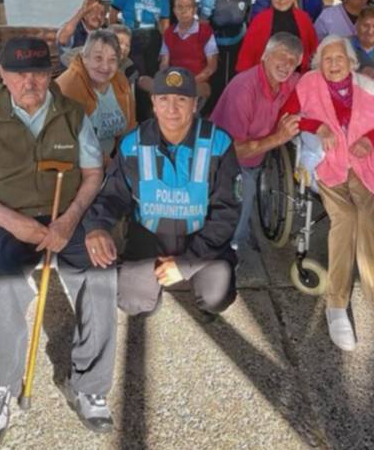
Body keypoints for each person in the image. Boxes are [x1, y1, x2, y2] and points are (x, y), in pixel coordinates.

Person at [0, 38, 114, 443]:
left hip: (67, 214)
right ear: (3, 75)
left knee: (101, 276)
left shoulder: (73, 114)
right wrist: (16, 224)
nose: (30, 82)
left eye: (39, 73)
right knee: (1, 287)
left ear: (50, 74)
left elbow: (93, 174)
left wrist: (69, 221)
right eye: (19, 74)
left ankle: (90, 385)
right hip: (7, 218)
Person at [278, 36, 374, 356]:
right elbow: (286, 115)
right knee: (345, 217)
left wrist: (370, 138)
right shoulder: (308, 84)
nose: (334, 64)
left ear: (351, 63)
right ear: (318, 63)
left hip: (363, 163)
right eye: (327, 59)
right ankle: (336, 305)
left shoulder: (368, 88)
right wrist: (316, 126)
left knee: (366, 218)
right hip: (328, 164)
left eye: (339, 58)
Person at [81, 67, 241, 322]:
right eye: (164, 99)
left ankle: (201, 294)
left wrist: (186, 263)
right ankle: (150, 295)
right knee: (133, 301)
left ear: (195, 104)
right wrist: (97, 226)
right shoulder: (132, 143)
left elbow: (227, 212)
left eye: (181, 99)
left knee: (216, 295)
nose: (172, 108)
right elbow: (113, 195)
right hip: (150, 239)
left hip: (202, 240)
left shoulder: (219, 143)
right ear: (154, 103)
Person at [210, 32, 304, 251]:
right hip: (224, 162)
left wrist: (372, 91)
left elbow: (322, 85)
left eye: (293, 60)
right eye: (282, 55)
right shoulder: (244, 89)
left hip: (257, 158)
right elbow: (235, 151)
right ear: (265, 55)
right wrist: (279, 138)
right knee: (243, 202)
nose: (287, 64)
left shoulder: (289, 82)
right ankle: (230, 252)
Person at [56, 30, 137, 159]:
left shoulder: (120, 80)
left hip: (115, 159)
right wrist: (107, 164)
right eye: (98, 58)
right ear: (85, 58)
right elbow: (64, 145)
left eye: (112, 60)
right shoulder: (67, 87)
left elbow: (130, 127)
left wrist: (127, 158)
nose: (105, 67)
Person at [237, 0, 319, 74]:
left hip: (297, 75)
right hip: (267, 76)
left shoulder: (304, 18)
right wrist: (245, 77)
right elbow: (247, 53)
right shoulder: (260, 20)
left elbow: (313, 50)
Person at [198, 0, 253, 108]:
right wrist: (210, 51)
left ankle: (233, 109)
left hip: (238, 41)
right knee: (218, 80)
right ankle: (215, 111)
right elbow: (203, 26)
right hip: (217, 44)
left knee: (236, 78)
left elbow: (247, 16)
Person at [110, 0, 170, 81]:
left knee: (153, 73)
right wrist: (113, 38)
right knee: (137, 73)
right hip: (132, 36)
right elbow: (113, 12)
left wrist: (165, 49)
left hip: (153, 37)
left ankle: (151, 93)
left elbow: (165, 24)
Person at [154, 0, 217, 109]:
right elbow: (164, 64)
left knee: (201, 90)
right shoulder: (169, 33)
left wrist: (190, 81)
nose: (184, 11)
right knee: (144, 81)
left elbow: (212, 66)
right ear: (174, 11)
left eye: (188, 7)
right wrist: (171, 80)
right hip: (174, 80)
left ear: (194, 10)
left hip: (197, 82)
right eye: (180, 7)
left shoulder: (205, 31)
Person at [57, 0, 108, 66]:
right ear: (84, 13)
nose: (98, 17)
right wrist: (80, 13)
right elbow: (62, 39)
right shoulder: (72, 28)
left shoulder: (105, 34)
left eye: (102, 14)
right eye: (94, 12)